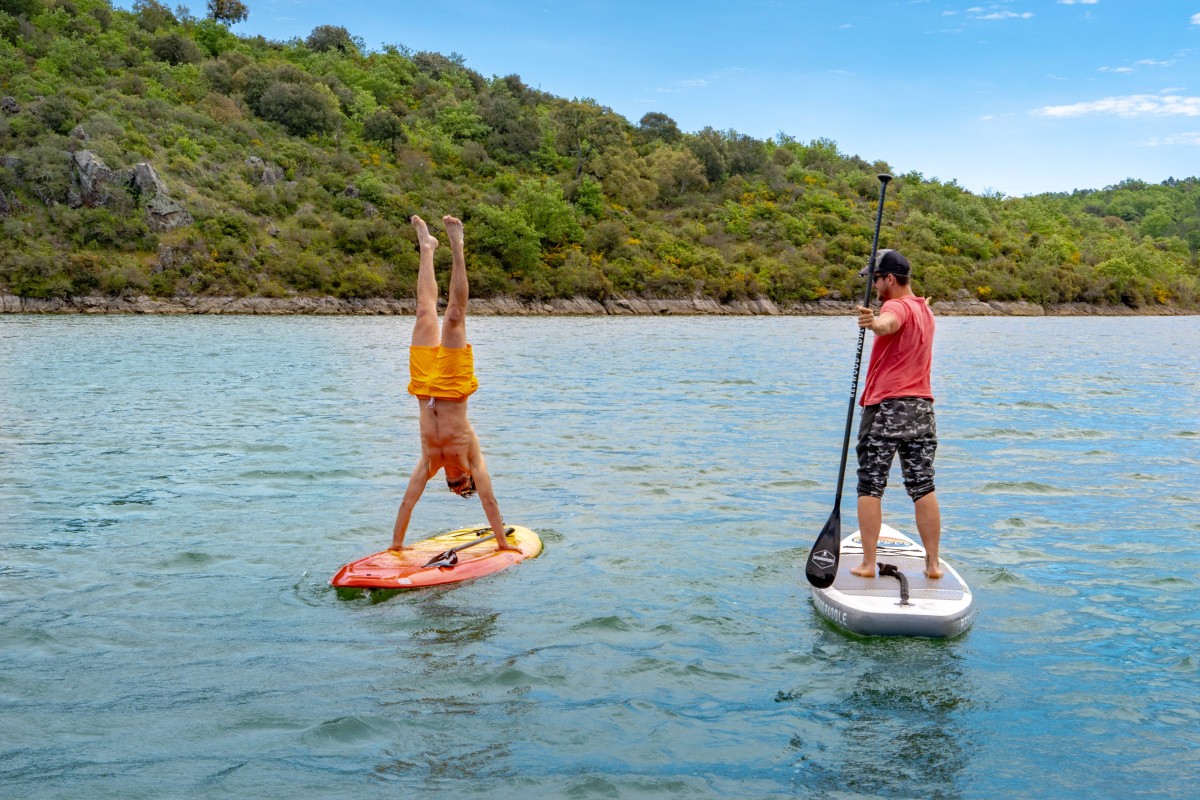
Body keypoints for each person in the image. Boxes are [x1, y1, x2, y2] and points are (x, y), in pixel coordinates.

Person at [390, 215, 517, 554]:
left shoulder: (429, 462)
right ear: (470, 477)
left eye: (451, 483)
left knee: (424, 313)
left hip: (424, 387)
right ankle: (454, 246)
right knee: (454, 316)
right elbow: (489, 502)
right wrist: (504, 545)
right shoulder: (473, 458)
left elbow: (406, 503)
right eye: (459, 482)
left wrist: (395, 547)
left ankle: (428, 247)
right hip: (453, 384)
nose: (453, 478)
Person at [850, 249, 943, 580]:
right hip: (922, 408)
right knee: (922, 485)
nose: (873, 285)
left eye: (875, 279)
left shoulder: (895, 306)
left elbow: (889, 322)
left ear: (889, 279)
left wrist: (874, 322)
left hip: (887, 407)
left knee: (870, 485)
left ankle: (866, 564)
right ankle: (932, 565)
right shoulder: (925, 310)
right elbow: (906, 316)